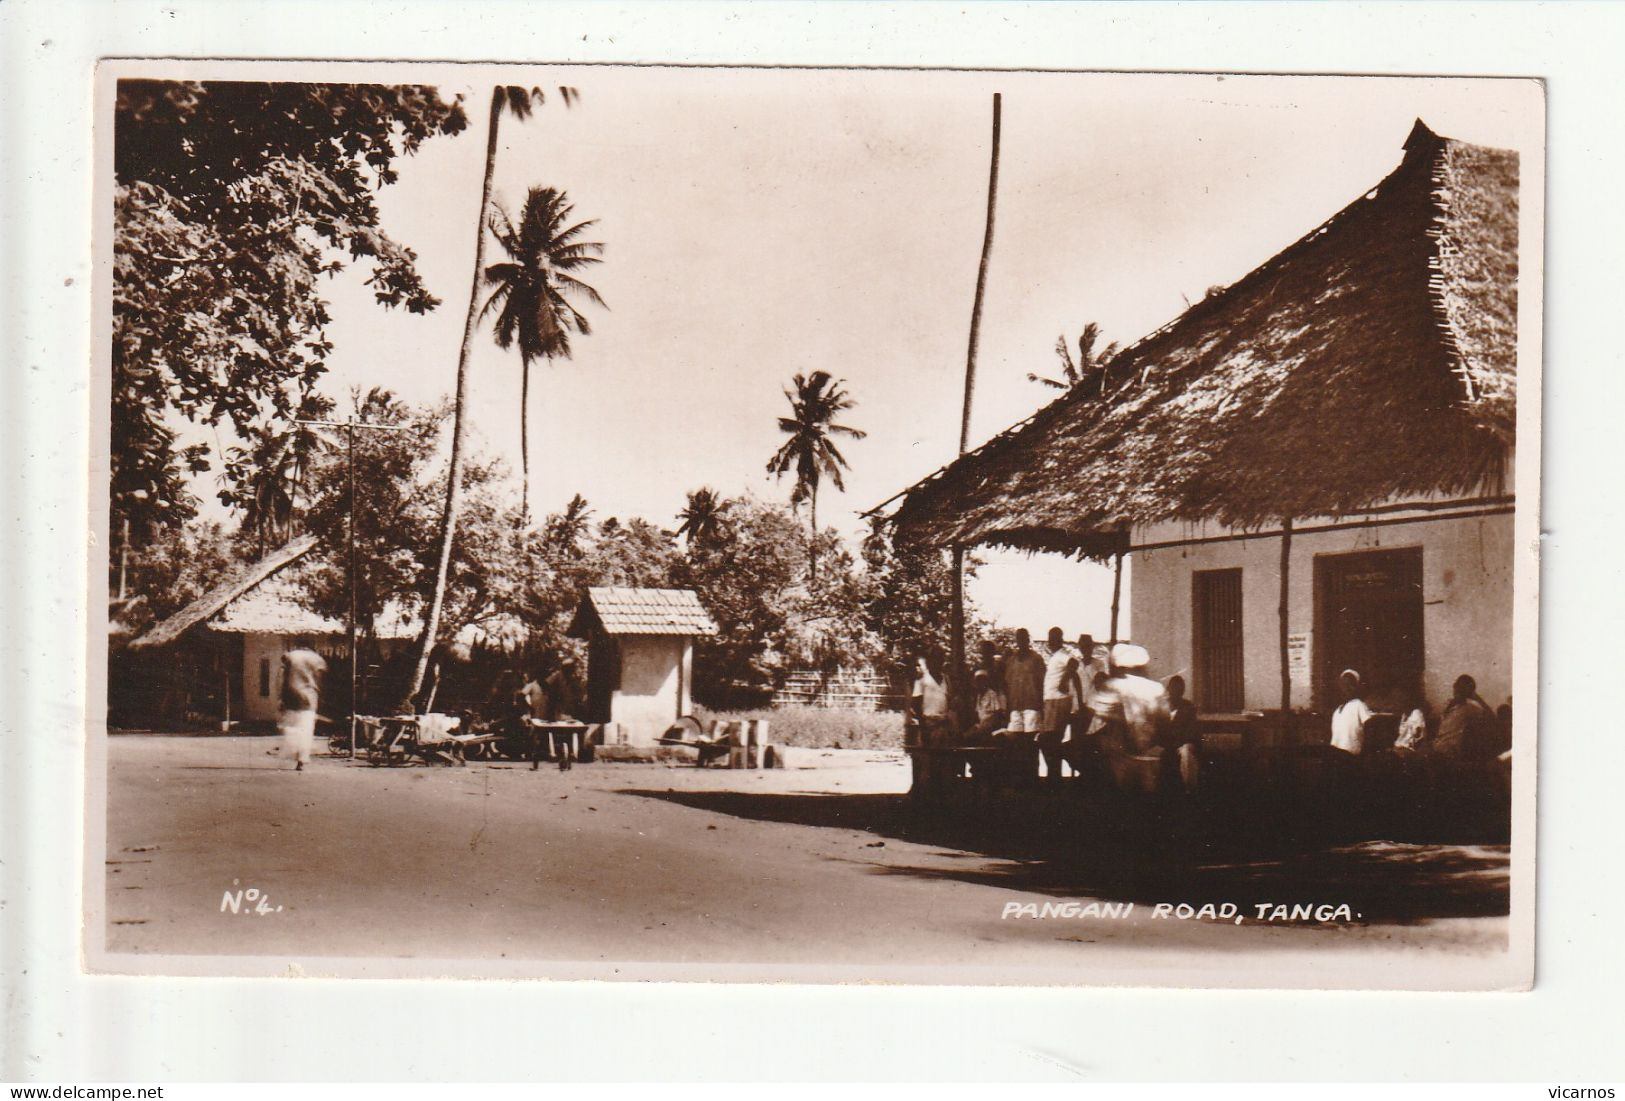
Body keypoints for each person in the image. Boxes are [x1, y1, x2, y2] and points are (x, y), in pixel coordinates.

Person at [1038, 627, 1079, 779]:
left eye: (1054, 638)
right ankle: (1053, 776)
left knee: (1048, 739)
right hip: (1052, 701)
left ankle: (1054, 777)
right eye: (1050, 638)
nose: (1050, 641)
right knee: (1049, 740)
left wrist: (1064, 679)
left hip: (1057, 701)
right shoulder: (1056, 656)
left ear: (1060, 639)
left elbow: (1074, 663)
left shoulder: (1063, 654)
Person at [278, 647, 327, 771]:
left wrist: (281, 698)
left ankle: (295, 751)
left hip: (292, 697)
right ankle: (302, 758)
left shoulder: (290, 657)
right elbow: (321, 679)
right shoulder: (316, 659)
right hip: (309, 698)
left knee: (292, 726)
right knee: (306, 728)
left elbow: (283, 679)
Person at [1435, 674, 1493, 759]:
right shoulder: (1448, 704)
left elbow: (1490, 716)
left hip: (1448, 753)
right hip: (1437, 746)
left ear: (1468, 692)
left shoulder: (1470, 708)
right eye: (1457, 686)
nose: (1457, 690)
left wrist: (1476, 697)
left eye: (1462, 688)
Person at [1160, 674, 1200, 794]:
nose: (1176, 691)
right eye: (1173, 688)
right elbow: (1156, 728)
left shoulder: (1188, 707)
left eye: (1179, 689)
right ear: (1168, 688)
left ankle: (1189, 789)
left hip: (1182, 743)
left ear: (1182, 691)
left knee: (1186, 752)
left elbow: (1191, 731)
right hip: (1164, 743)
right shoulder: (1161, 706)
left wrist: (1178, 744)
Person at [1002, 628, 1046, 736]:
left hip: (1032, 705)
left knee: (1030, 738)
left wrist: (1042, 706)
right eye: (1018, 639)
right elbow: (1007, 683)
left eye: (1023, 639)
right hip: (1015, 706)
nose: (1021, 642)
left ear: (1027, 640)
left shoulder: (1036, 659)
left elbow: (1043, 683)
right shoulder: (1011, 660)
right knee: (1016, 738)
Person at [910, 651, 951, 746]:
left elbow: (949, 699)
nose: (938, 663)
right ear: (929, 662)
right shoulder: (921, 679)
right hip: (928, 723)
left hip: (943, 724)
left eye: (940, 659)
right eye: (935, 659)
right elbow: (916, 703)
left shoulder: (946, 679)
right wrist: (923, 725)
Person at [1330, 669, 1372, 755]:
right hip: (1336, 754)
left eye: (1351, 685)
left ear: (1357, 687)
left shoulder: (1359, 705)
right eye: (1344, 685)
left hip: (1351, 755)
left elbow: (1369, 729)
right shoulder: (1337, 711)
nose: (1347, 688)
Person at [965, 669, 1007, 743]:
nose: (980, 683)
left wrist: (987, 725)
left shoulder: (992, 694)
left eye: (982, 680)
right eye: (977, 681)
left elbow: (998, 713)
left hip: (990, 726)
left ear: (986, 682)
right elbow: (978, 714)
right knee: (966, 736)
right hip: (981, 725)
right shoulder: (978, 696)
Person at [544, 655, 584, 721]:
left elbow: (575, 695)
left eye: (573, 668)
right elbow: (546, 687)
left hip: (567, 711)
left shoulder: (572, 679)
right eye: (571, 668)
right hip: (556, 709)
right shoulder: (557, 676)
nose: (573, 671)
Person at [1394, 689, 1429, 753]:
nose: (1397, 703)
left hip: (1410, 750)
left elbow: (1418, 738)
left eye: (1400, 700)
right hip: (1400, 747)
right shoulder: (1404, 715)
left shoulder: (1416, 714)